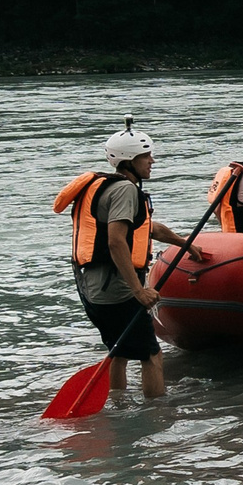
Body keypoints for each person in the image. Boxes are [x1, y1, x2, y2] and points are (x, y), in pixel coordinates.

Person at [52, 123, 204, 400]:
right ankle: (156, 414)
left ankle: (119, 403)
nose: (152, 161)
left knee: (118, 352)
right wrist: (139, 291)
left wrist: (184, 243)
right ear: (130, 160)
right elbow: (116, 241)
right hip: (117, 289)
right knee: (151, 355)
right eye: (146, 156)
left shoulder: (104, 186)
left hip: (92, 287)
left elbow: (146, 228)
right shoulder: (125, 190)